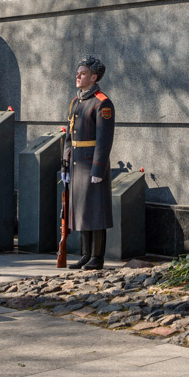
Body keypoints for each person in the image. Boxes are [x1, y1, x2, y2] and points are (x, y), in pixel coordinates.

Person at [61, 55, 115, 270]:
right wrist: (65, 162)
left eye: (82, 73)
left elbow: (104, 139)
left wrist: (98, 168)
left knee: (96, 210)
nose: (78, 76)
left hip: (91, 163)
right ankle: (85, 254)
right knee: (81, 210)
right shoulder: (77, 101)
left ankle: (97, 257)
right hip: (76, 163)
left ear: (93, 77)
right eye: (78, 72)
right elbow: (69, 136)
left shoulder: (102, 103)